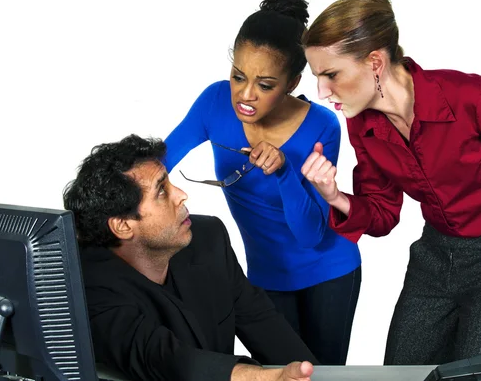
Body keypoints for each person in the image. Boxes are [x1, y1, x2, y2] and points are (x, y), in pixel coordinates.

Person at [300, 0, 481, 365]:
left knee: (475, 374)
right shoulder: (362, 125)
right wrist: (334, 196)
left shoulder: (473, 98)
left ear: (375, 62)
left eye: (331, 74)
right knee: (401, 373)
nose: (322, 91)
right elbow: (382, 214)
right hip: (436, 254)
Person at [164, 0, 361, 365]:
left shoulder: (322, 125)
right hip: (266, 274)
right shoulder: (214, 102)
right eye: (238, 76)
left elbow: (311, 234)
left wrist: (285, 171)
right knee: (278, 374)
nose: (246, 95)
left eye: (265, 85)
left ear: (292, 83)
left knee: (323, 377)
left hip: (329, 270)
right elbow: (160, 161)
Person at [63, 134, 317, 381]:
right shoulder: (87, 286)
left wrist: (311, 375)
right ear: (123, 226)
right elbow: (162, 358)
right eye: (161, 190)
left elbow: (264, 325)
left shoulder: (208, 239)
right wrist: (259, 378)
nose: (181, 194)